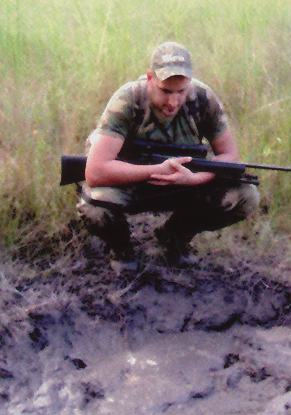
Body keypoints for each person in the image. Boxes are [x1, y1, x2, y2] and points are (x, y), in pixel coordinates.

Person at [77, 41, 259, 271]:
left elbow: (229, 154)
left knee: (246, 195)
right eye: (165, 91)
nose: (173, 102)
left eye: (181, 92)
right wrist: (155, 170)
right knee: (95, 205)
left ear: (190, 83)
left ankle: (173, 238)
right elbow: (96, 171)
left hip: (182, 182)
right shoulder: (128, 99)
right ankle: (121, 248)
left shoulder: (203, 98)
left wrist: (195, 179)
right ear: (150, 78)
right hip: (129, 181)